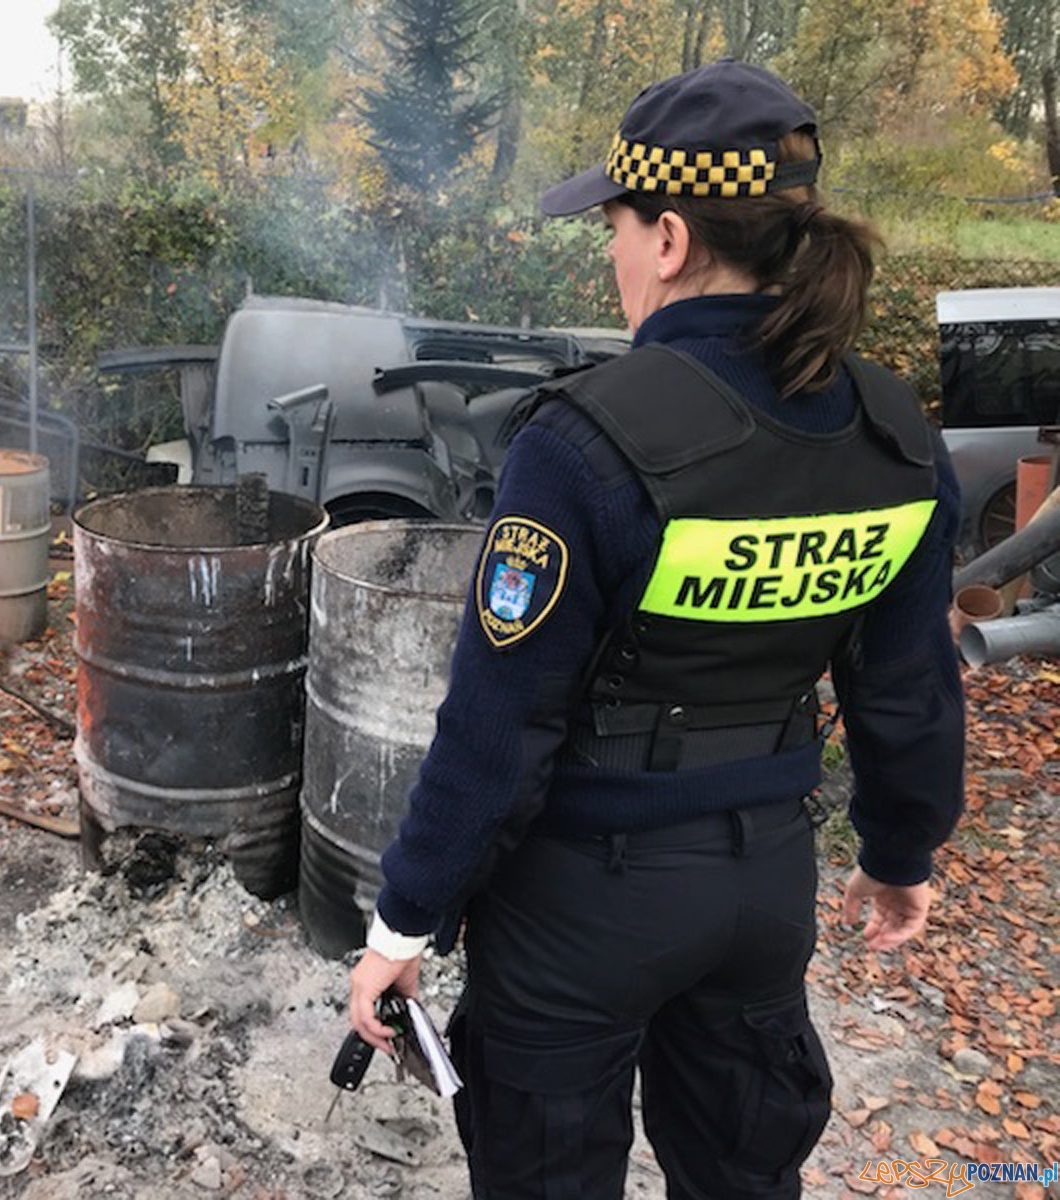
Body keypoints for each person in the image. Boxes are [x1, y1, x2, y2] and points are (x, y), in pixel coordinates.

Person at [345, 59, 964, 1199]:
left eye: (616, 228)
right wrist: (898, 852)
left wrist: (404, 923)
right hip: (762, 892)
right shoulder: (890, 433)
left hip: (582, 905)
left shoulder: (585, 440)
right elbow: (907, 686)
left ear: (669, 238)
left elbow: (500, 720)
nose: (614, 255)